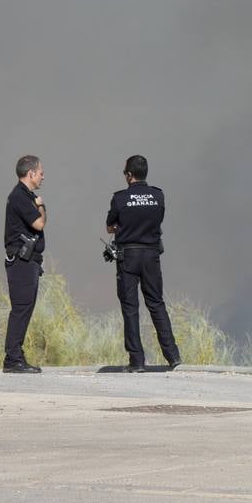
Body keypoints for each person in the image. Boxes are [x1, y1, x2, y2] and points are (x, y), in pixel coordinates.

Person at [106, 155, 182, 373]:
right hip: (151, 256)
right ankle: (173, 356)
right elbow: (158, 220)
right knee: (156, 304)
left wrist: (121, 228)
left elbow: (110, 225)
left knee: (130, 308)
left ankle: (137, 361)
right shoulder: (158, 195)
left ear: (129, 175)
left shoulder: (120, 198)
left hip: (128, 256)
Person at [3, 155, 46, 373]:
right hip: (21, 262)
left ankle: (15, 357)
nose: (43, 177)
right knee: (21, 309)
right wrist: (41, 206)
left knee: (25, 308)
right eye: (40, 172)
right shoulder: (21, 196)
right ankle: (12, 359)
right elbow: (38, 224)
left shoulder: (24, 195)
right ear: (30, 173)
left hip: (28, 262)